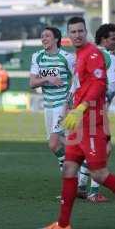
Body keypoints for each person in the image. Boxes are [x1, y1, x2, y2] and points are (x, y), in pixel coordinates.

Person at [35, 17, 115, 229]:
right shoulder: (78, 55)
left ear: (86, 32)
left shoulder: (92, 54)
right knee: (69, 170)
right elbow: (79, 86)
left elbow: (100, 85)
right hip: (78, 123)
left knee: (98, 174)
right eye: (73, 32)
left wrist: (82, 108)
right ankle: (63, 224)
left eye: (81, 31)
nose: (77, 35)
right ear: (68, 35)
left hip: (92, 123)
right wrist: (70, 108)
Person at [77, 23, 115, 203]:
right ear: (103, 39)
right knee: (104, 149)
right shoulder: (108, 57)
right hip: (97, 109)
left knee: (88, 149)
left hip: (81, 108)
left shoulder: (87, 53)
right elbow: (109, 86)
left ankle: (80, 186)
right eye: (113, 38)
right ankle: (94, 192)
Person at [29, 27, 75, 172]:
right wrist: (47, 78)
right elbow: (32, 83)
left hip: (62, 106)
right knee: (57, 144)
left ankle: (71, 168)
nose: (44, 38)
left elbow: (78, 80)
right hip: (48, 106)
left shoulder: (67, 57)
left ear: (56, 39)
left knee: (53, 144)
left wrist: (70, 101)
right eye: (42, 36)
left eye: (47, 36)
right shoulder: (37, 56)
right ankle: (75, 165)